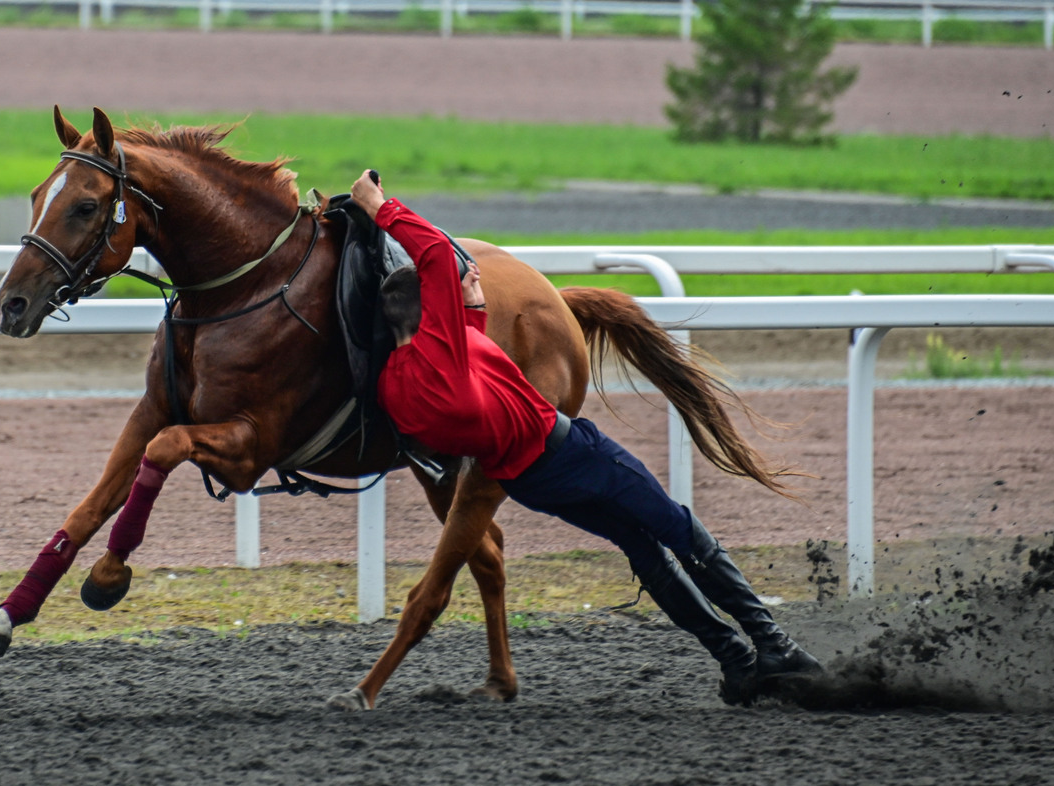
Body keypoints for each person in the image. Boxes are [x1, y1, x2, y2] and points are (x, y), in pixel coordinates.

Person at [351, 168, 822, 704]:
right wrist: (380, 206)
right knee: (677, 526)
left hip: (527, 481)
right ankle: (772, 641)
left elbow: (469, 351)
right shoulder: (450, 352)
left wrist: (477, 304)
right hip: (572, 453)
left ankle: (735, 661)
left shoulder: (399, 385)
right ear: (433, 318)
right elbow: (437, 255)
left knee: (638, 544)